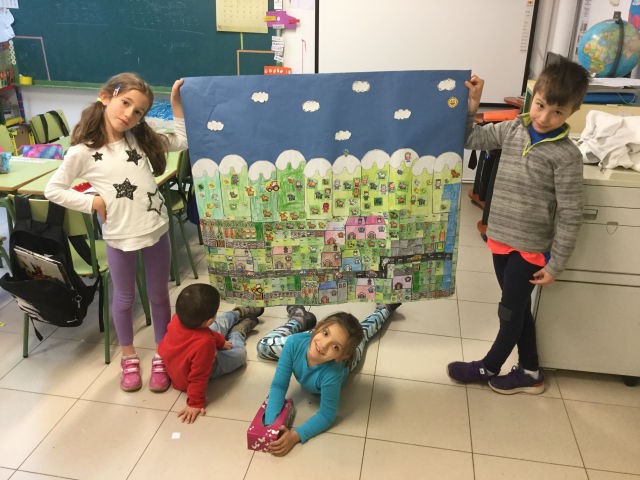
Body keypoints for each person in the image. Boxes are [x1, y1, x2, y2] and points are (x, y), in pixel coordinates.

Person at [447, 59, 590, 395]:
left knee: (509, 311)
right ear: (532, 98)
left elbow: (571, 214)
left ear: (572, 111)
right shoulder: (512, 130)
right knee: (519, 307)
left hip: (530, 249)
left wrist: (556, 264)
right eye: (540, 105)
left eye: (557, 112)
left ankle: (488, 366)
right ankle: (530, 370)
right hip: (500, 238)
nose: (544, 117)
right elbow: (469, 138)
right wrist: (472, 106)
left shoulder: (567, 156)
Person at [45, 72, 188, 393]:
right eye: (125, 103)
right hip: (120, 235)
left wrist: (176, 104)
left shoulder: (141, 139)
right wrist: (92, 202)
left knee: (159, 296)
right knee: (124, 298)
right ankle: (128, 356)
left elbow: (182, 141)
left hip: (156, 229)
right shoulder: (83, 152)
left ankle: (163, 353)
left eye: (138, 111)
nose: (129, 115)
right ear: (106, 97)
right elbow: (53, 189)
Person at [256, 303, 400, 456]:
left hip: (346, 356)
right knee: (262, 347)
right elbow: (279, 386)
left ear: (341, 356)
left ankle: (384, 309)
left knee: (364, 333)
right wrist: (270, 426)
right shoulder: (294, 343)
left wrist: (295, 435)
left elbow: (327, 415)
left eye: (335, 347)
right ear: (319, 327)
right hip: (309, 338)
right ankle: (299, 320)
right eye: (325, 333)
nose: (324, 346)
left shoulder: (333, 372)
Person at [158, 283, 264, 423]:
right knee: (240, 355)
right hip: (196, 365)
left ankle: (238, 313)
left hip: (188, 353)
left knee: (217, 326)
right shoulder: (205, 343)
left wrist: (220, 342)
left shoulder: (178, 318)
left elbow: (207, 332)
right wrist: (195, 403)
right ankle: (238, 332)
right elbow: (198, 376)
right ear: (208, 321)